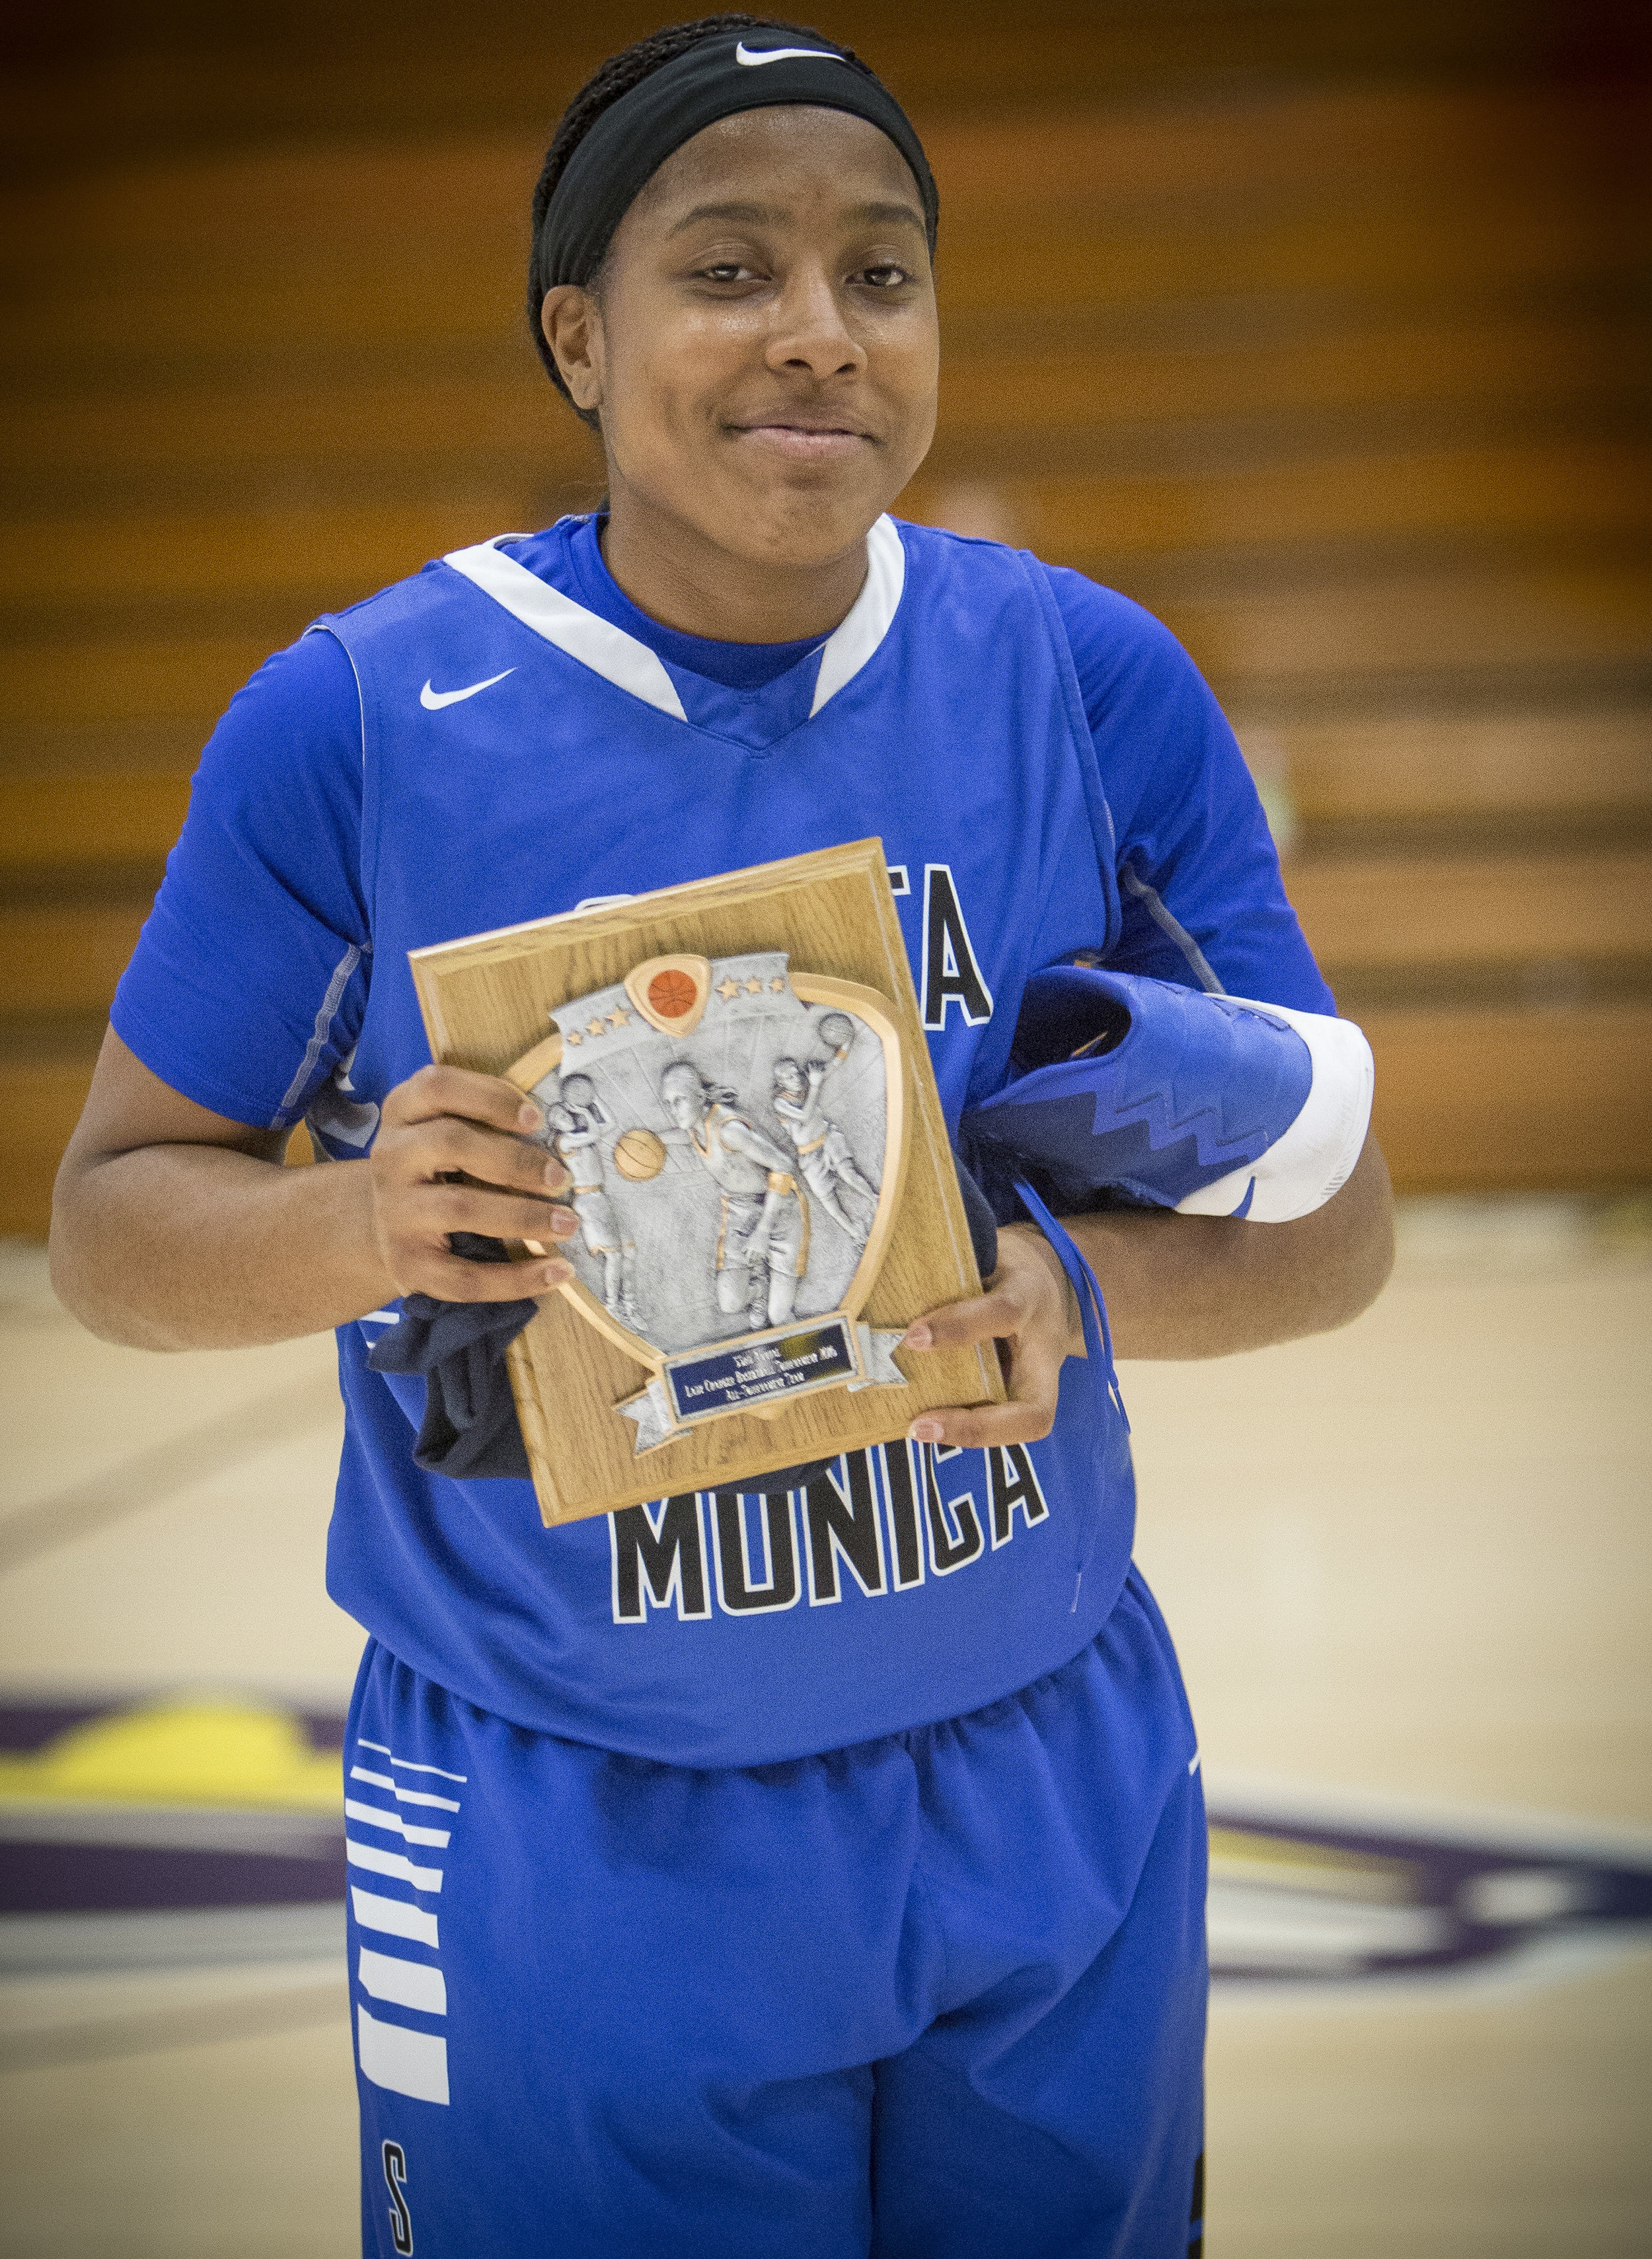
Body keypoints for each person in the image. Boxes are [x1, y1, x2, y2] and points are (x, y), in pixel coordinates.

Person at [49, 17, 1394, 2256]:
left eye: (883, 273)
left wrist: (1090, 1287)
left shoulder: (1081, 674)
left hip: (1046, 1761)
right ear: (580, 333)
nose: (818, 332)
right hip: (575, 1807)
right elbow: (111, 1224)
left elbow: (1337, 1214)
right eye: (731, 268)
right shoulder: (361, 714)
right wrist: (366, 1218)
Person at [656, 1057, 808, 1327]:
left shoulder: (729, 1130)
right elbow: (678, 1135)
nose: (673, 1110)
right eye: (667, 1103)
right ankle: (760, 1287)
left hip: (780, 1208)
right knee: (730, 1304)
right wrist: (648, 1141)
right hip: (740, 1209)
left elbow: (784, 1166)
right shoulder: (693, 1126)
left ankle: (769, 1275)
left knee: (779, 1317)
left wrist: (762, 1232)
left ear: (701, 1096)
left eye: (679, 1100)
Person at [543, 1072, 643, 1330]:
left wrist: (594, 1099)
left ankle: (630, 1305)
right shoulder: (565, 1141)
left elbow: (610, 1122)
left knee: (629, 1252)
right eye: (560, 1117)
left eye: (566, 1114)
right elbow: (597, 1132)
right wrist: (585, 1110)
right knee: (615, 1257)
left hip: (601, 1196)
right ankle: (613, 1306)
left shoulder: (582, 1134)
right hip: (588, 1200)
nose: (566, 1118)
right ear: (555, 1125)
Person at [772, 1035, 878, 1243]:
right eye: (790, 1077)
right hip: (809, 1155)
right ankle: (856, 1234)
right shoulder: (780, 1102)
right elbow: (804, 1116)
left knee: (848, 1174)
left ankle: (876, 1201)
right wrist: (814, 1086)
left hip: (828, 1137)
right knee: (828, 1200)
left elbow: (831, 1067)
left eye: (797, 1073)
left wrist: (845, 1044)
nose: (797, 1078)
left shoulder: (808, 1084)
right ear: (781, 1083)